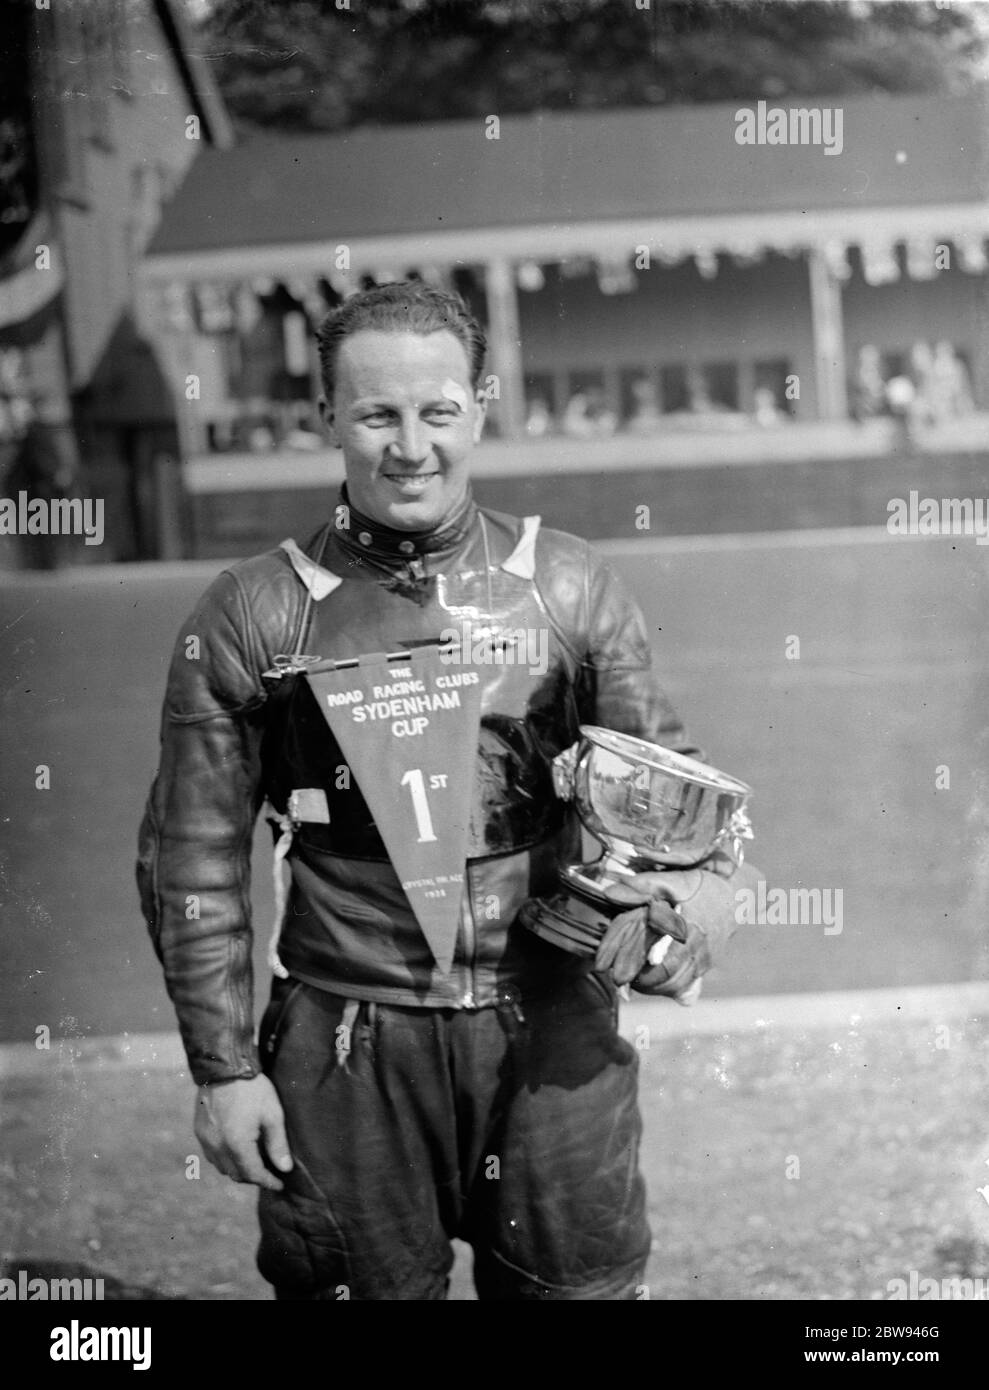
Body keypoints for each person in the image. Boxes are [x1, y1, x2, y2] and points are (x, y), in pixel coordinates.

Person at [137, 280, 759, 1301]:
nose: (409, 446)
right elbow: (191, 855)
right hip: (347, 1046)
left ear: (480, 403)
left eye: (435, 411)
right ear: (325, 416)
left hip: (550, 1031)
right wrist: (221, 1068)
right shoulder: (254, 611)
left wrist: (699, 896)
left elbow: (677, 804)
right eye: (377, 414)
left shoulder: (567, 584)